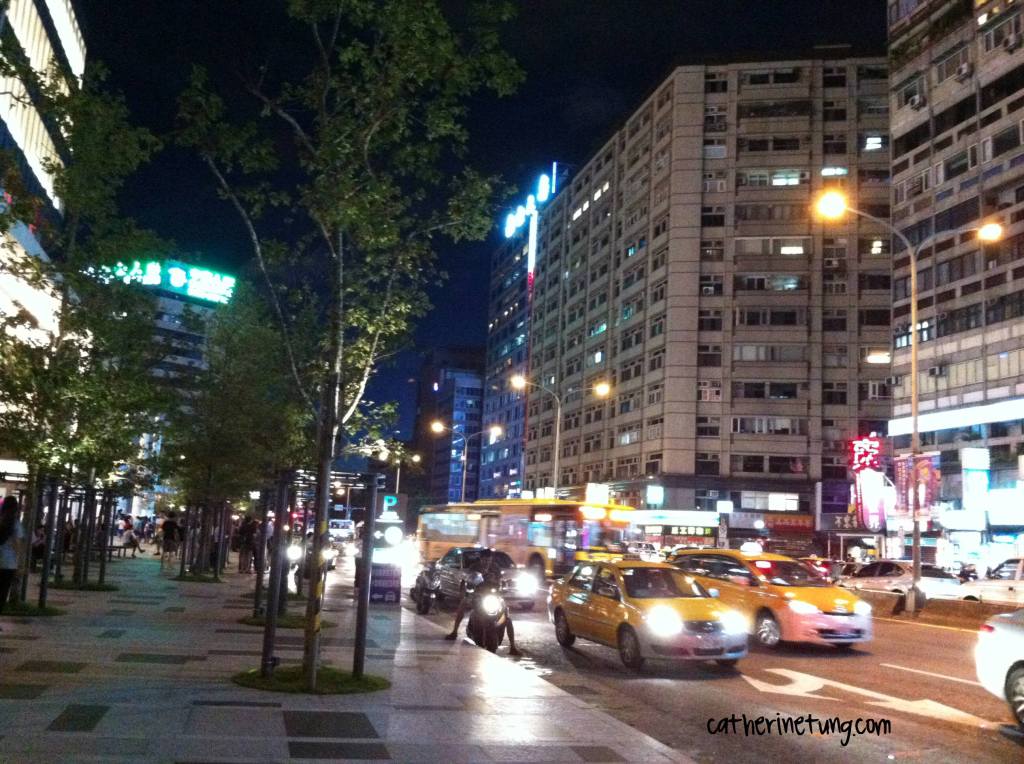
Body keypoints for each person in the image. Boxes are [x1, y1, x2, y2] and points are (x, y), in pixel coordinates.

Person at [444, 549, 522, 656]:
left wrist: (500, 585)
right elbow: (469, 582)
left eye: (489, 560)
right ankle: (454, 631)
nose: (487, 562)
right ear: (481, 559)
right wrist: (471, 588)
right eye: (485, 560)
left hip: (494, 595)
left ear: (491, 559)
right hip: (478, 595)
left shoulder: (495, 567)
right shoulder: (474, 567)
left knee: (507, 617)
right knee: (463, 603)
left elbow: (499, 582)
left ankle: (513, 646)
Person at [0, 496, 23, 615]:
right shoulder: (15, 524)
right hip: (8, 563)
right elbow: (16, 545)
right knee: (3, 591)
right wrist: (19, 563)